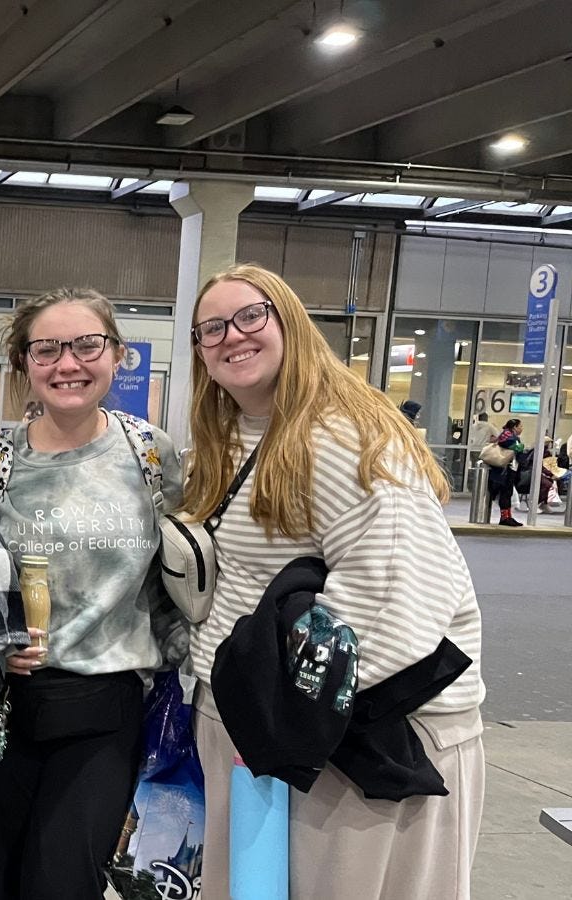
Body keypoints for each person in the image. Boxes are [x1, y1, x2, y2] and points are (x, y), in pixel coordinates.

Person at [183, 264, 484, 899]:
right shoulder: (231, 438)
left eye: (251, 316)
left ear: (289, 322)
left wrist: (273, 712)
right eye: (211, 328)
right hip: (264, 729)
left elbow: (396, 604)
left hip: (354, 736)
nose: (232, 335)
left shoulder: (350, 437)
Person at [0, 287, 184, 899]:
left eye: (87, 345)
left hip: (106, 708)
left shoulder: (151, 455)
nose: (68, 364)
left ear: (116, 356)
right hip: (6, 705)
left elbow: (184, 574)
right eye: (47, 349)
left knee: (64, 884)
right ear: (24, 364)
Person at [490, 419, 524, 526]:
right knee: (505, 493)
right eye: (520, 426)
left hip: (511, 469)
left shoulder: (509, 436)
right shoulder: (507, 436)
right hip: (505, 470)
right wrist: (518, 447)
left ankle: (508, 516)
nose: (521, 428)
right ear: (514, 427)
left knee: (508, 493)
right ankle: (504, 518)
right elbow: (507, 444)